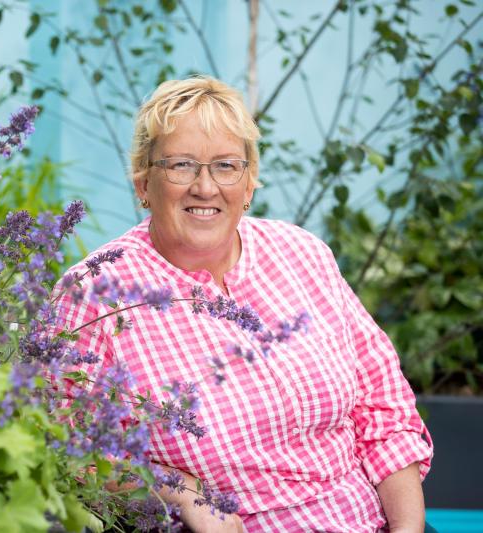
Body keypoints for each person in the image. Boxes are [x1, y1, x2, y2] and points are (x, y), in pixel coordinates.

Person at [54, 76, 433, 532]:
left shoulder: (303, 254)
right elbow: (67, 448)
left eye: (226, 166)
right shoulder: (93, 296)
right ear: (143, 182)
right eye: (181, 165)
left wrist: (407, 528)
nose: (205, 187)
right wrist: (179, 490)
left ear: (249, 182)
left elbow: (384, 410)